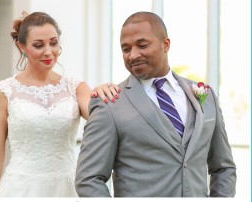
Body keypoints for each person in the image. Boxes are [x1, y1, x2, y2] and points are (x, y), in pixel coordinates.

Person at [75, 11, 236, 197]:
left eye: (142, 45)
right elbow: (88, 179)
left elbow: (223, 168)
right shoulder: (109, 104)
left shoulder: (206, 96)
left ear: (165, 45)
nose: (133, 55)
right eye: (126, 49)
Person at [0, 11, 119, 197]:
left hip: (67, 187)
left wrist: (102, 92)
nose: (48, 51)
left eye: (53, 43)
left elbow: (101, 116)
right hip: (20, 189)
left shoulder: (76, 87)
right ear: (21, 46)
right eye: (39, 45)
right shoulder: (2, 92)